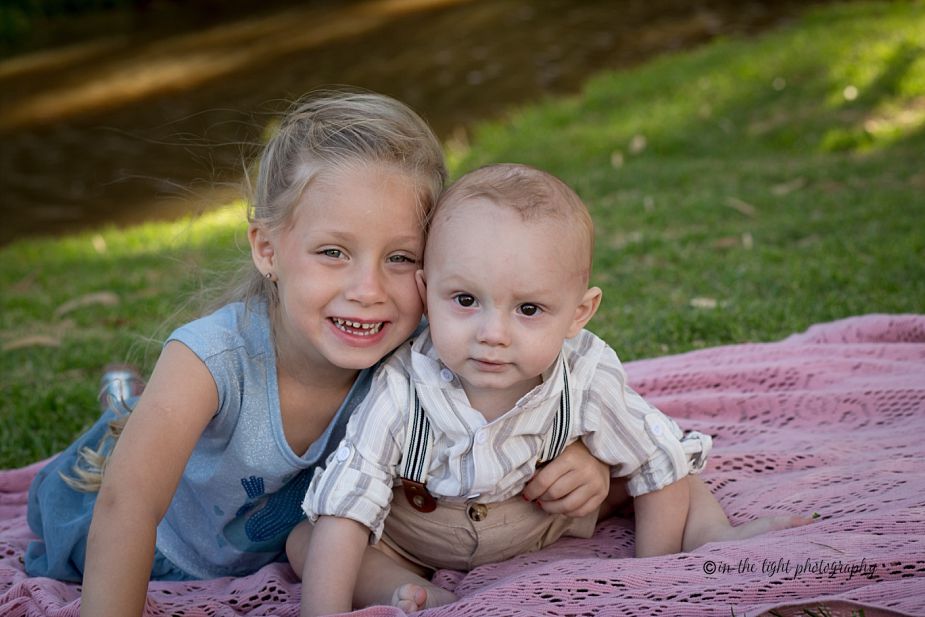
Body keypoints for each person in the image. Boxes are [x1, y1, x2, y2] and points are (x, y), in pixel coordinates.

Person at [24, 94, 613, 617]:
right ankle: (123, 401)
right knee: (127, 439)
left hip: (291, 544)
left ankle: (128, 398)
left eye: (401, 258)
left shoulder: (425, 355)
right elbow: (129, 505)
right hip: (158, 544)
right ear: (269, 249)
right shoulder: (213, 359)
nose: (368, 289)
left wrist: (585, 457)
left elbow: (524, 406)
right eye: (334, 251)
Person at [294, 163, 813, 615]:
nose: (492, 333)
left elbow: (655, 462)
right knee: (310, 541)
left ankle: (708, 534)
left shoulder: (585, 372)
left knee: (668, 460)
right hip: (421, 536)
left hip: (542, 517)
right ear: (428, 292)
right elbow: (348, 500)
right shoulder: (403, 384)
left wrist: (654, 578)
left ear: (578, 314)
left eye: (528, 310)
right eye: (466, 300)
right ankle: (407, 591)